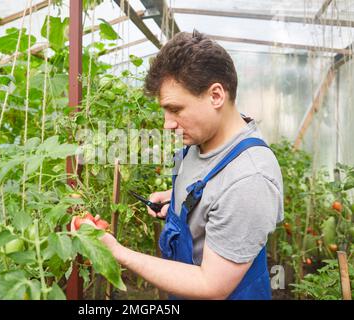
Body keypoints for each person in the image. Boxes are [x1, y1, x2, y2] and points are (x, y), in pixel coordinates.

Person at [76, 30, 284, 300]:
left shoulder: (249, 179)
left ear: (216, 96)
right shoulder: (202, 139)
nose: (167, 123)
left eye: (175, 109)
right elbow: (210, 192)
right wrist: (175, 201)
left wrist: (115, 252)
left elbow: (212, 286)